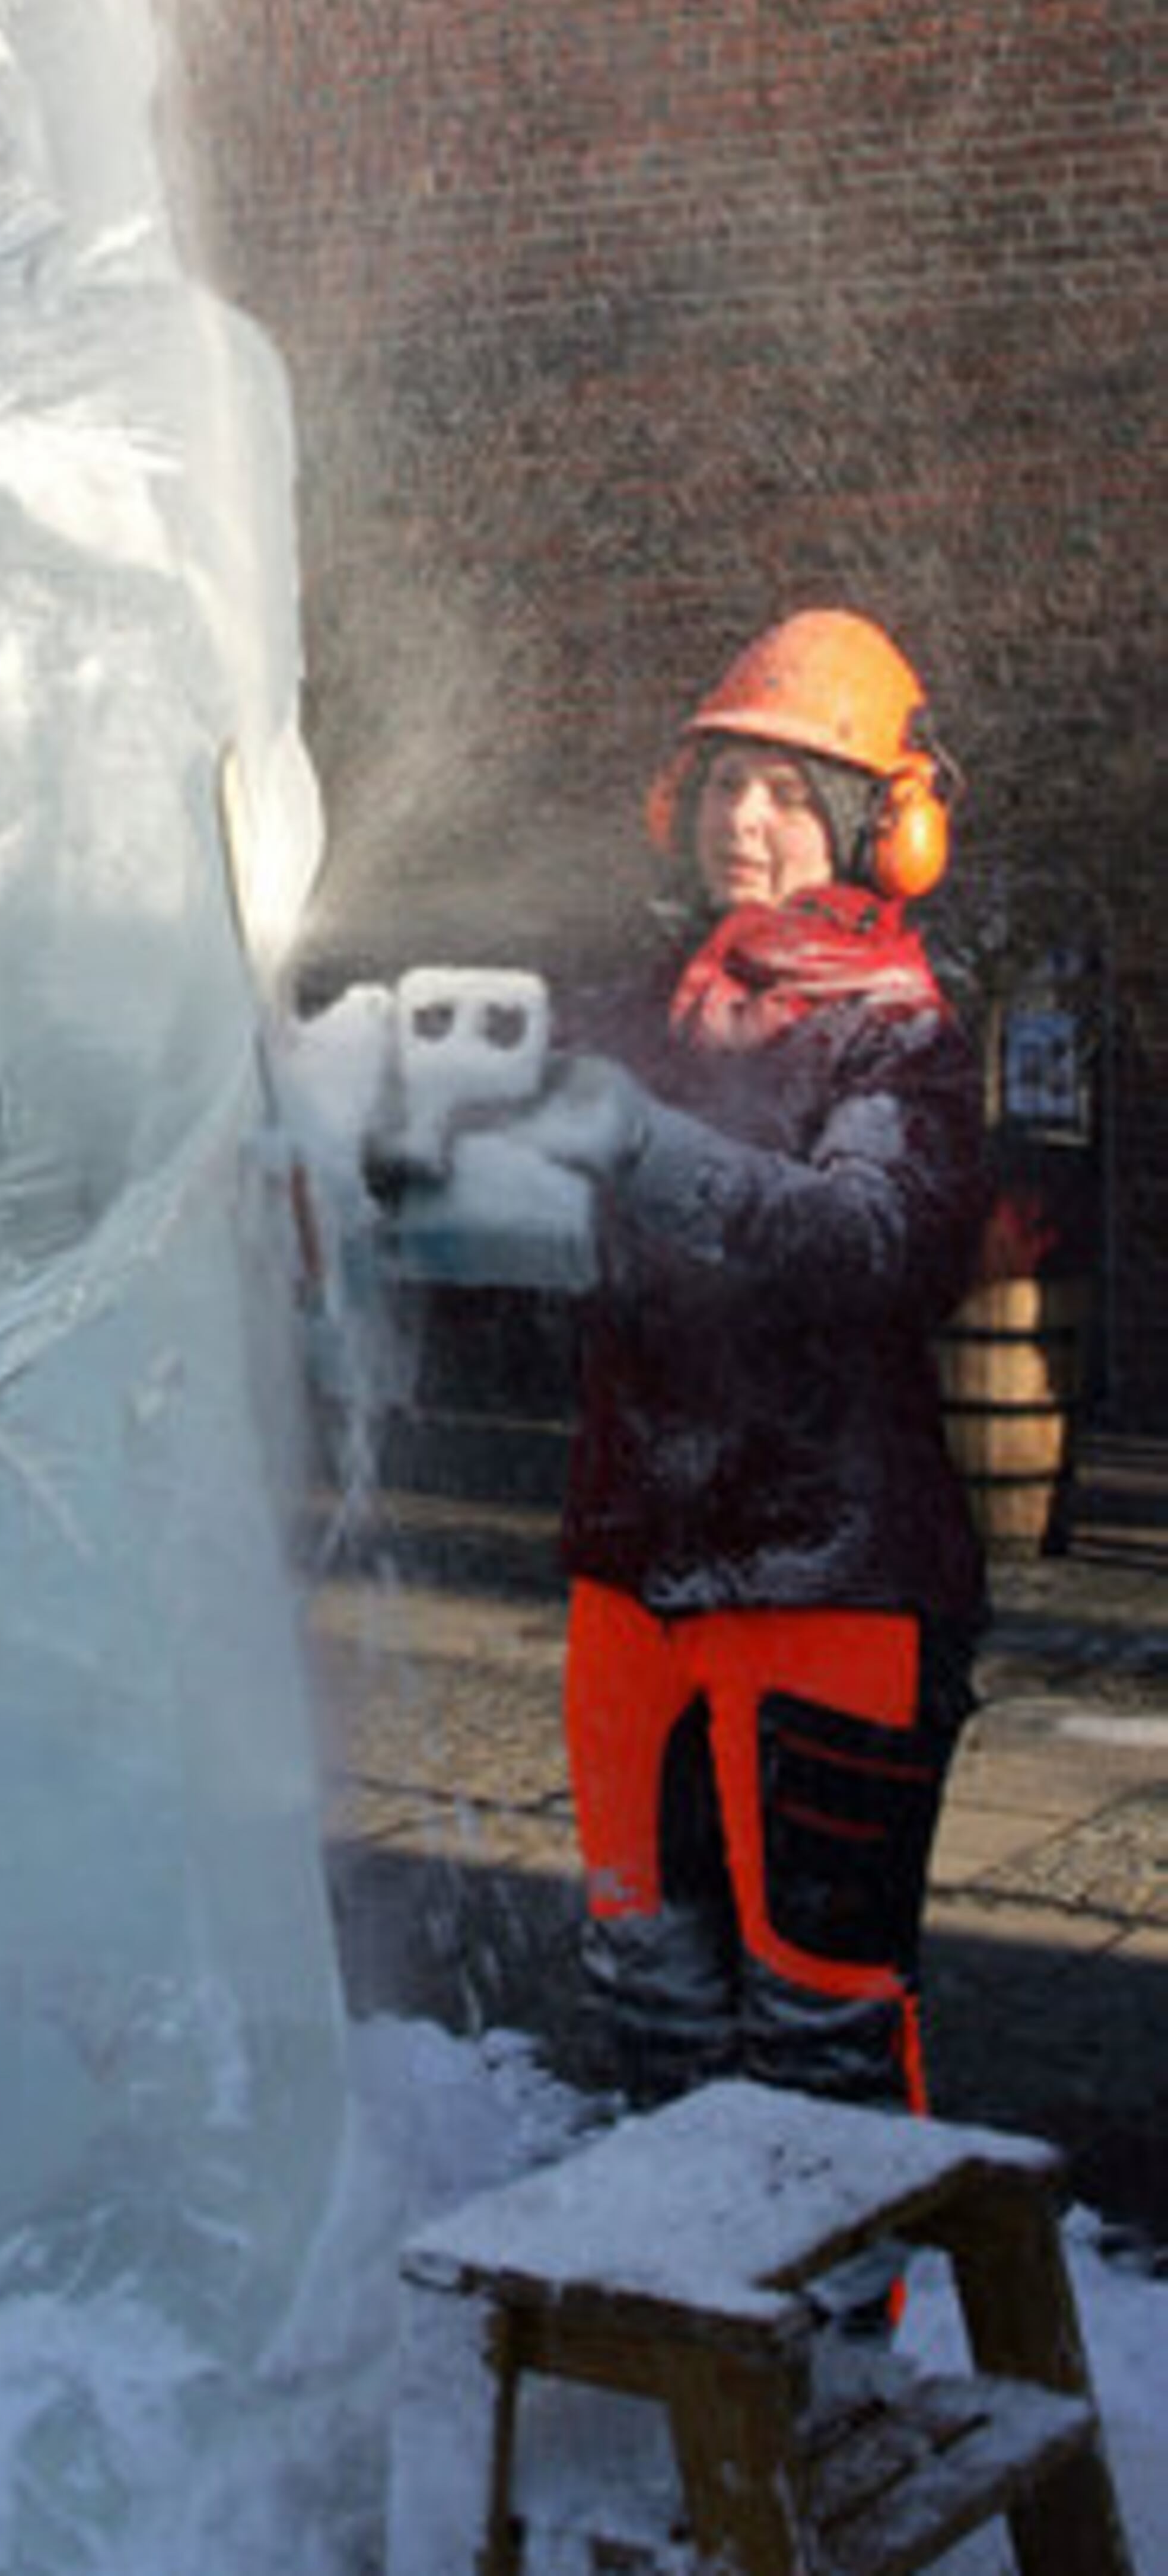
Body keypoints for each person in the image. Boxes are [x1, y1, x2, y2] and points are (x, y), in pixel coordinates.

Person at [521, 609, 987, 2130]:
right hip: (631, 1561)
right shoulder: (635, 1007)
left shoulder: (895, 1036)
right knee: (646, 1988)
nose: (743, 820)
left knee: (818, 2012)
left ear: (876, 826)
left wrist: (641, 1151)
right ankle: (679, 2324)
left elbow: (867, 1243)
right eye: (723, 784)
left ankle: (840, 2353)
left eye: (788, 792)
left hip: (830, 1576)